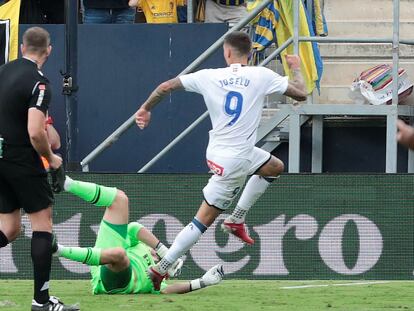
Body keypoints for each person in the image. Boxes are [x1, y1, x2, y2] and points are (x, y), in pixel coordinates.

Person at [135, 30, 307, 290]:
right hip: (236, 160)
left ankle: (236, 219)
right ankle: (163, 267)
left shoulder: (210, 76)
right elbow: (301, 95)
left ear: (227, 52)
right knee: (203, 219)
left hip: (220, 152)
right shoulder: (262, 75)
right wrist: (295, 69)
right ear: (250, 54)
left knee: (274, 166)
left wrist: (145, 109)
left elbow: (165, 87)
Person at [0, 27, 78, 311]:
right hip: (21, 158)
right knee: (42, 224)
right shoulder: (39, 82)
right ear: (48, 51)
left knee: (8, 229)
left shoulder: (3, 71)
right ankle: (41, 301)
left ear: (22, 47)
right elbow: (36, 132)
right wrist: (52, 158)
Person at [55, 176, 224, 294]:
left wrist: (202, 282)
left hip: (115, 284)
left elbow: (166, 290)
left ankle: (58, 249)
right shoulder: (140, 247)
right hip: (107, 257)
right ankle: (68, 184)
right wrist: (166, 255)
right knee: (120, 199)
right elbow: (134, 228)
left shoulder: (156, 276)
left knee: (119, 255)